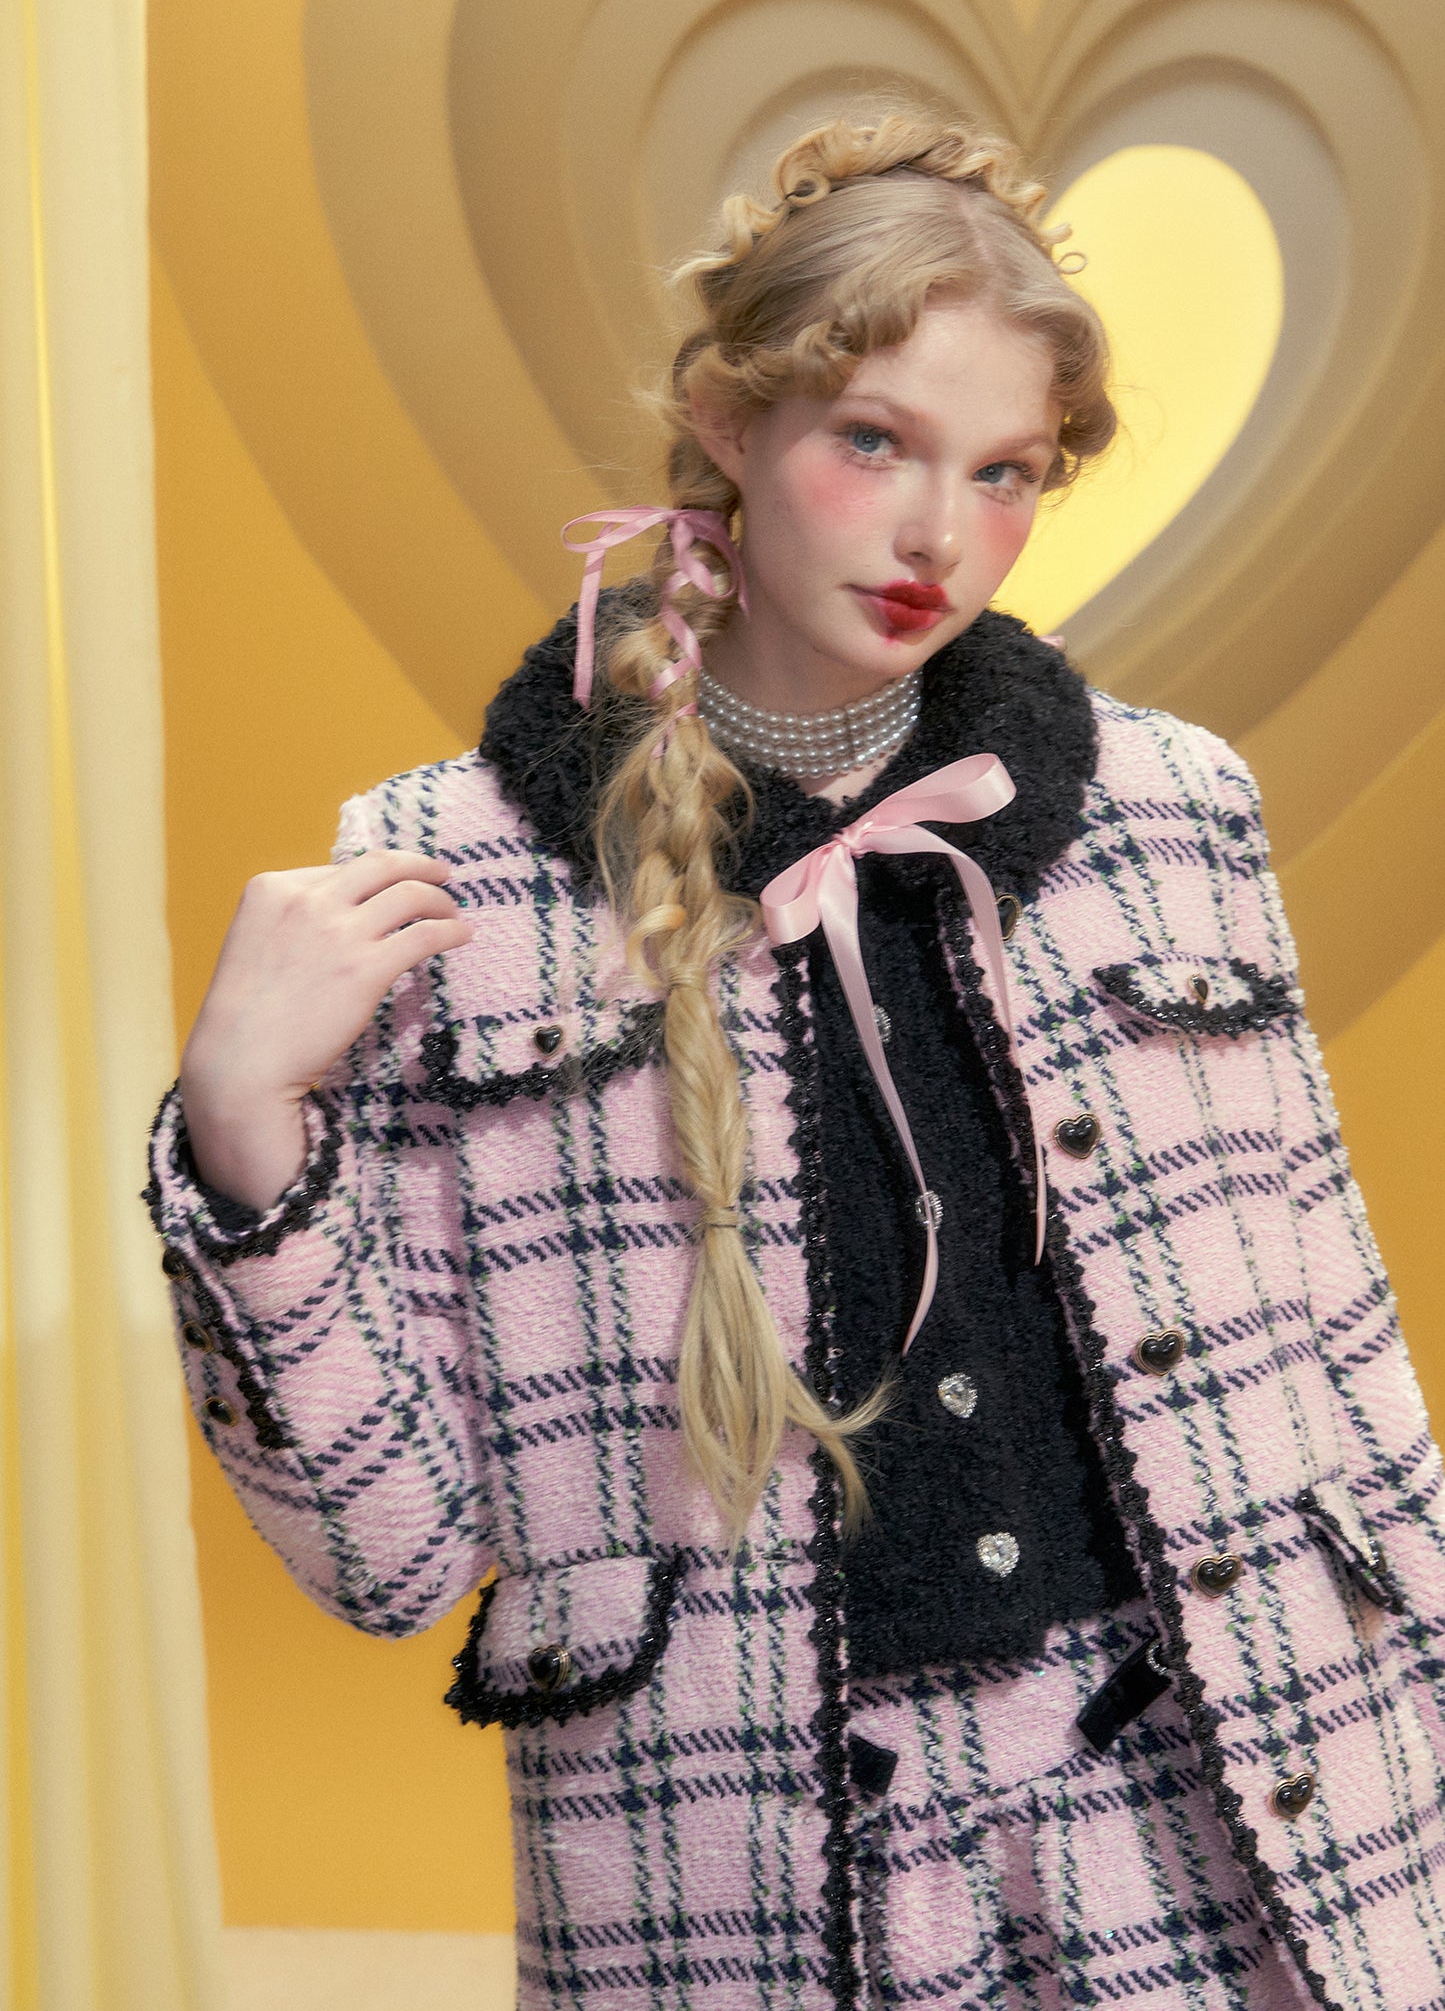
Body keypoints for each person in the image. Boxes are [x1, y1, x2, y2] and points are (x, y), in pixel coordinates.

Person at [145, 107, 1445, 2011]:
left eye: (1003, 473)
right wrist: (240, 1129)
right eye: (873, 443)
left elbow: (1341, 1348)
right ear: (726, 423)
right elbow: (390, 1552)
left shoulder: (1169, 810)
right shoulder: (461, 878)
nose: (938, 538)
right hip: (748, 1872)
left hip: (1226, 1799)